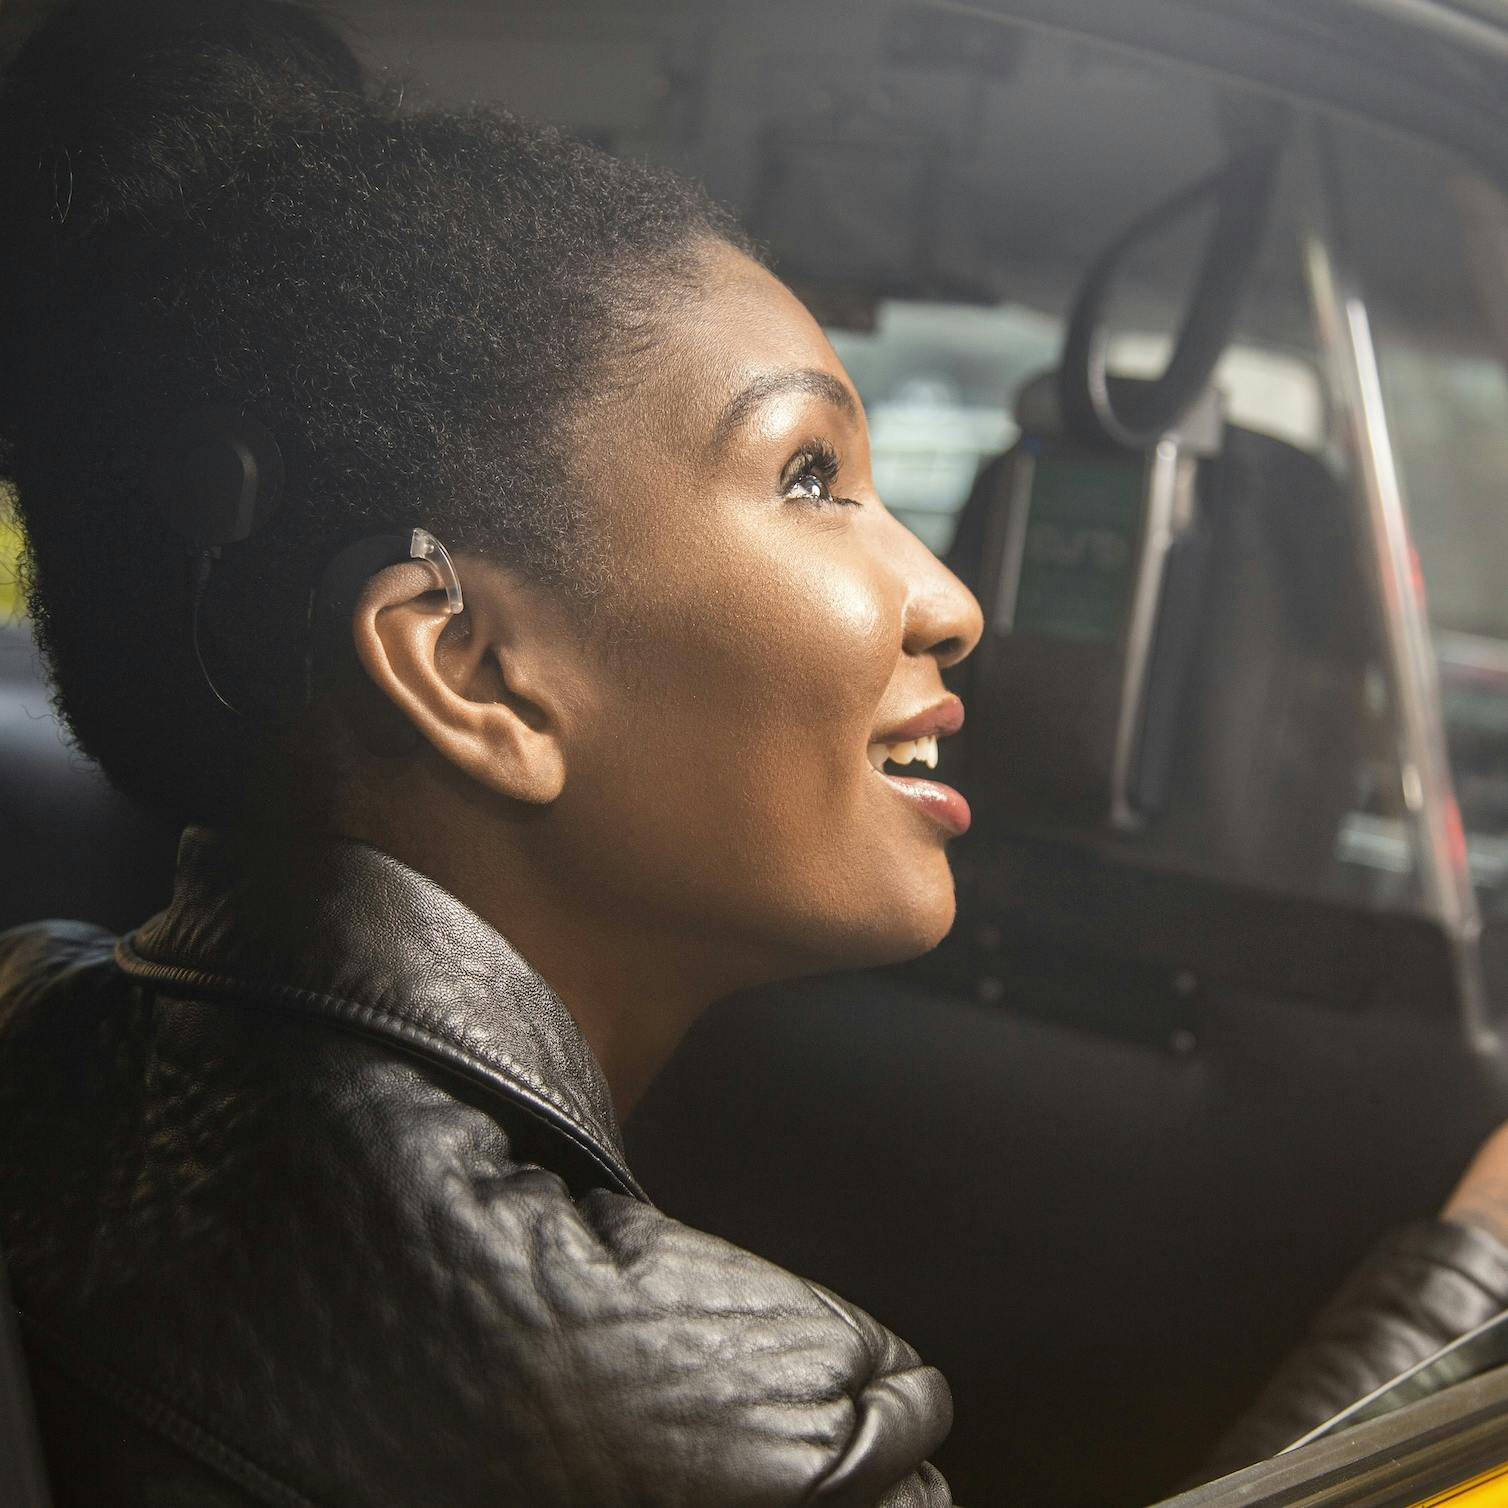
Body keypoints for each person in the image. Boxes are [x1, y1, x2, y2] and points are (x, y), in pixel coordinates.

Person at [0, 3, 1506, 1504]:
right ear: (471, 670)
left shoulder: (33, 1026)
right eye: (808, 476)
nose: (953, 598)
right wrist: (1477, 1278)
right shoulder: (732, 1426)